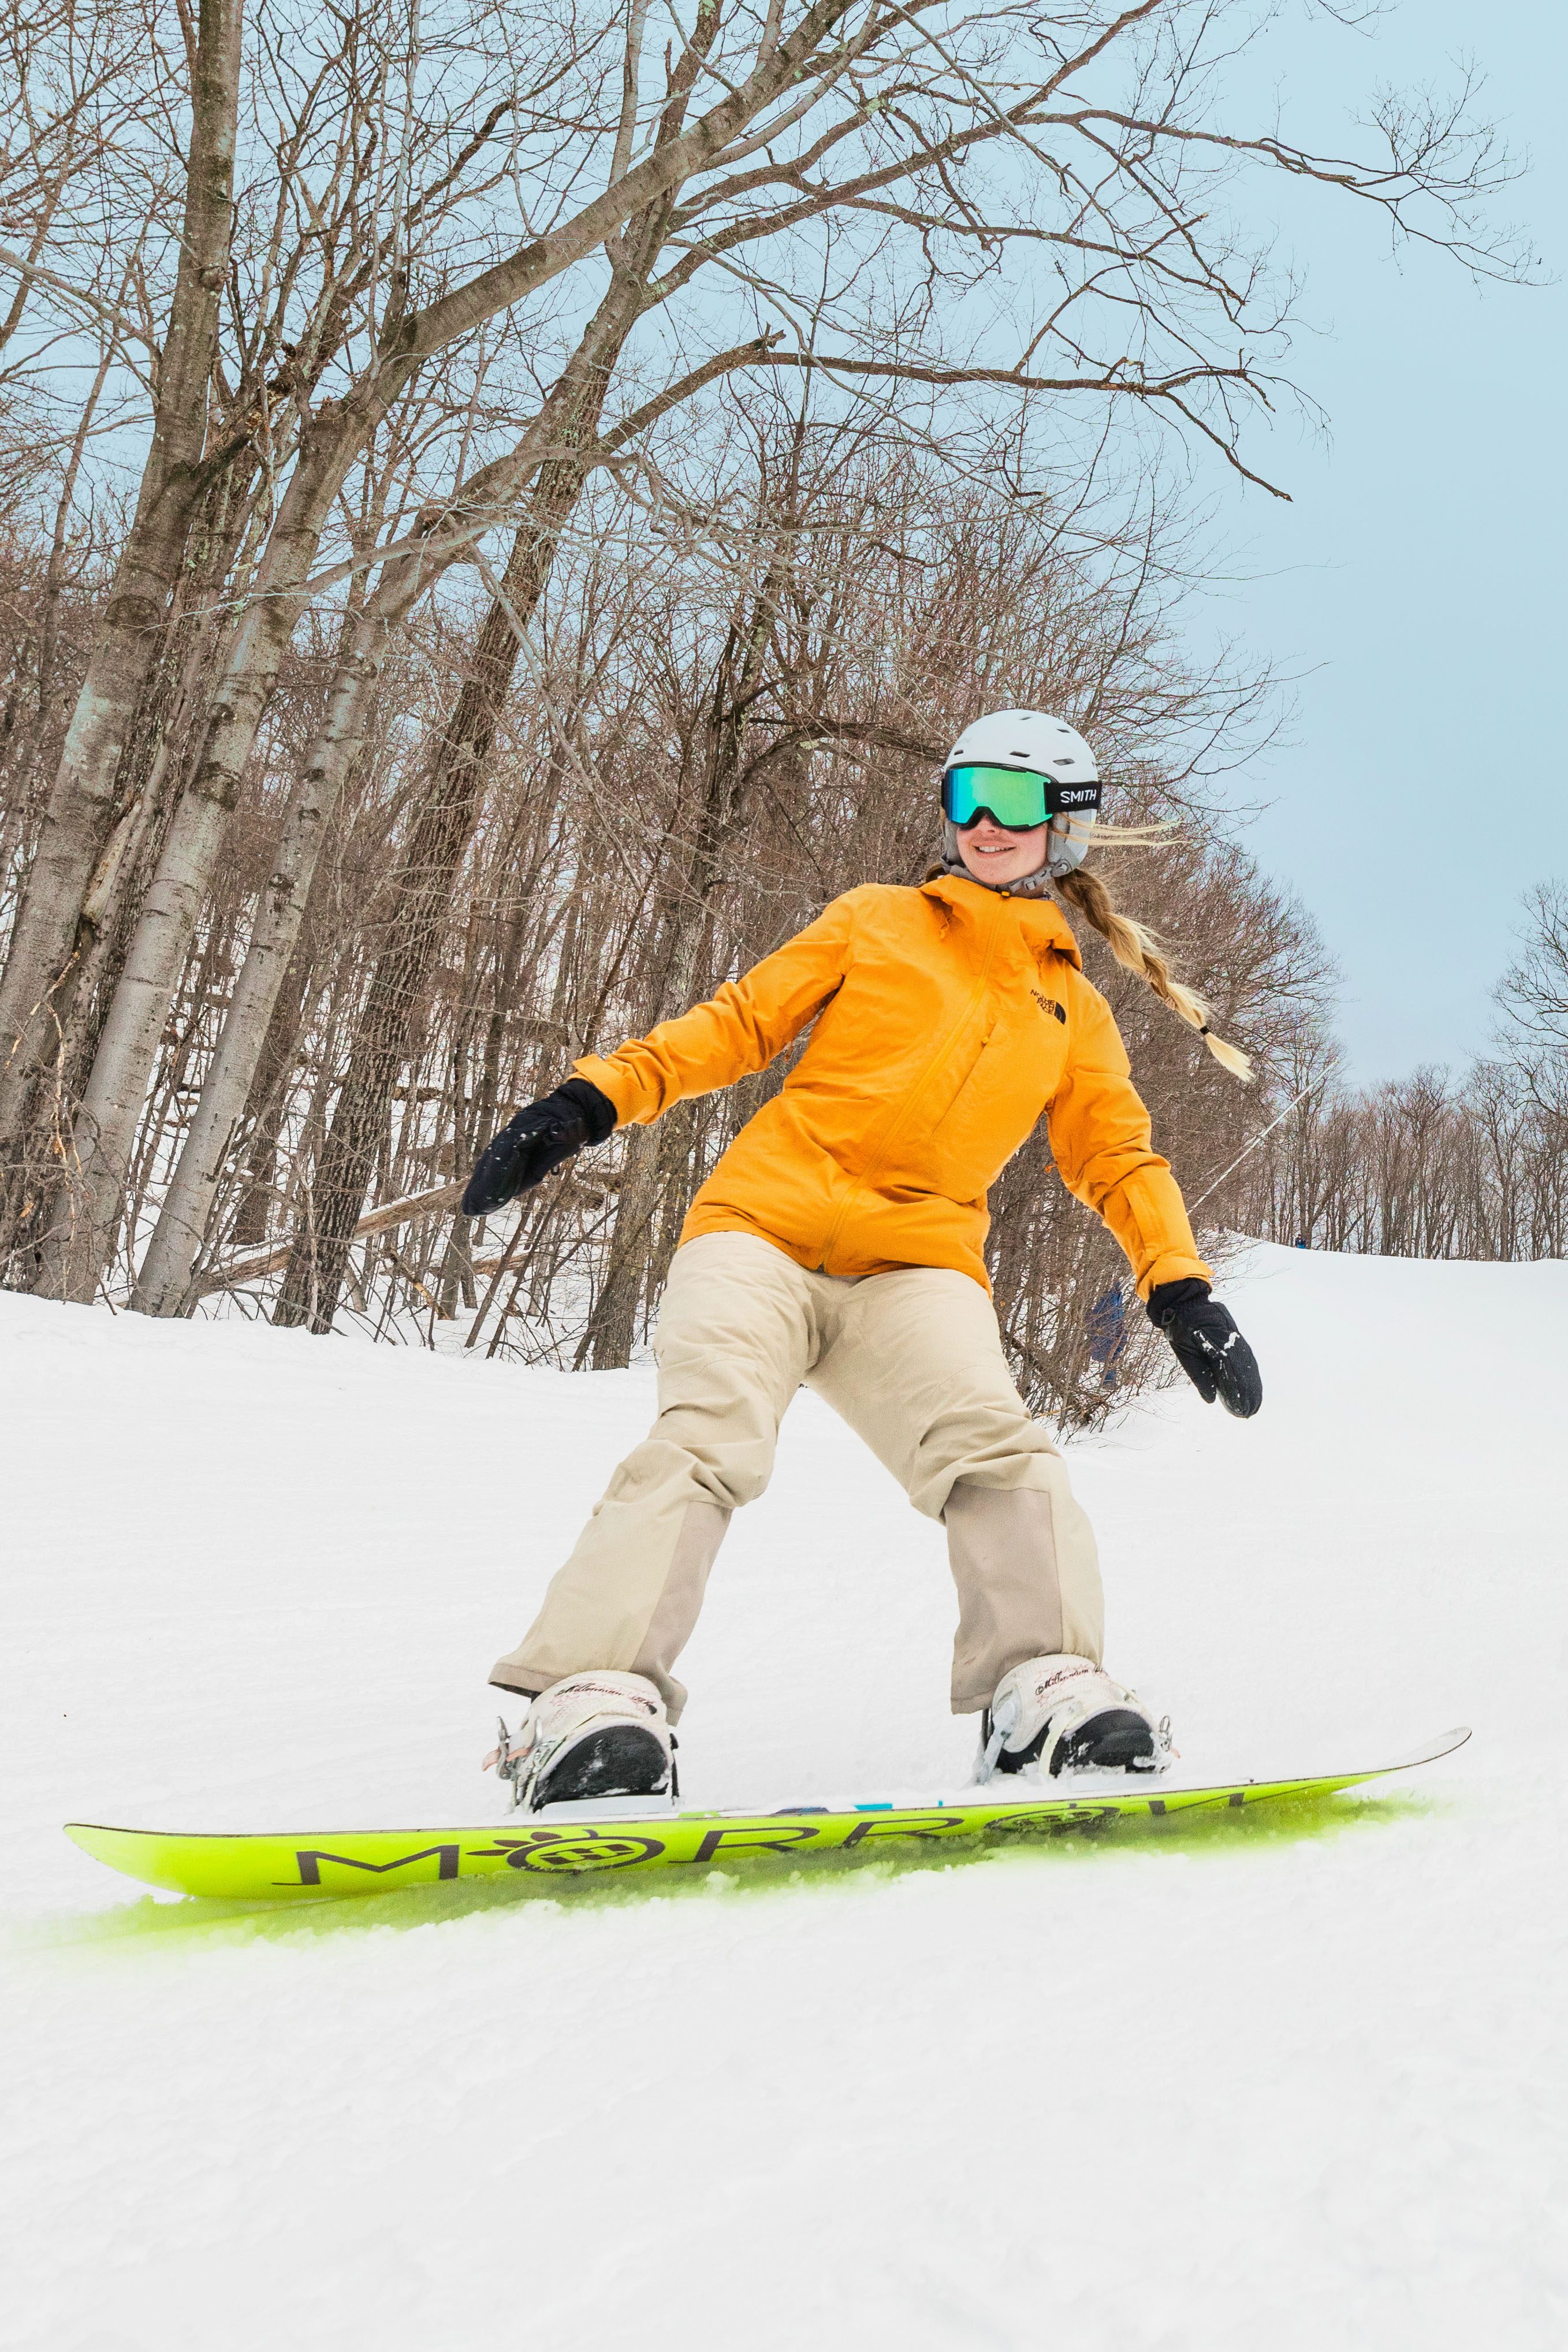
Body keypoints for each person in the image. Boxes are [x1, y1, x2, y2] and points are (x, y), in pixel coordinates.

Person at [463, 710, 1262, 1811]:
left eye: (1017, 801)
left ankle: (1043, 1691)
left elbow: (1117, 1156)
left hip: (915, 1266)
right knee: (709, 1436)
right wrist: (589, 1099)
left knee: (998, 1450)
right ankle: (590, 1704)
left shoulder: (1072, 1006)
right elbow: (738, 1024)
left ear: (1063, 830)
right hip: (760, 1229)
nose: (985, 821)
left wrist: (1178, 1285)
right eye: (968, 793)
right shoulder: (874, 921)